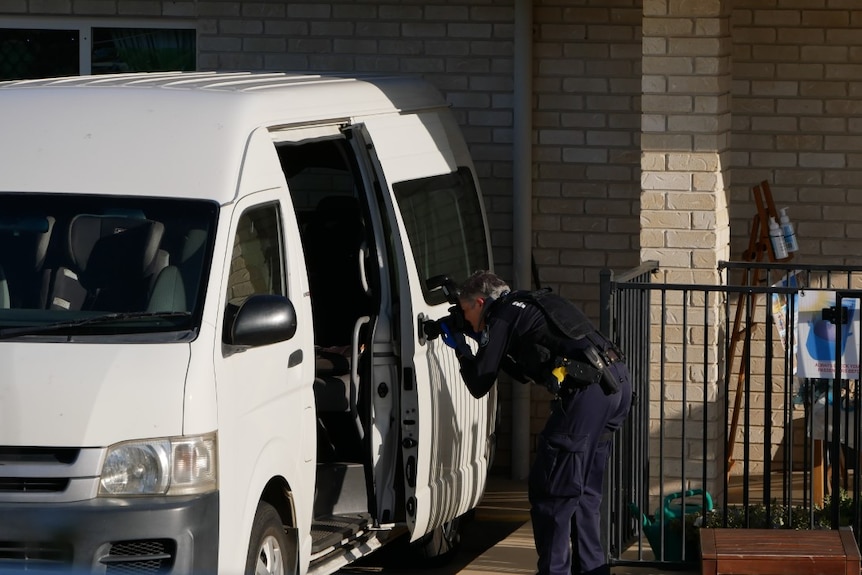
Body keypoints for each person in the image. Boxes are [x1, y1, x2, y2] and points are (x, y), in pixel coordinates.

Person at [434, 270, 632, 575]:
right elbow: (525, 370)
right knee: (583, 494)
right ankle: (593, 570)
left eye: (465, 311)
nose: (466, 318)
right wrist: (482, 339)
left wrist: (461, 348)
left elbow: (479, 382)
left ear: (480, 302)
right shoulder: (528, 303)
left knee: (552, 494)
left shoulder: (502, 315)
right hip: (616, 385)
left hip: (588, 393)